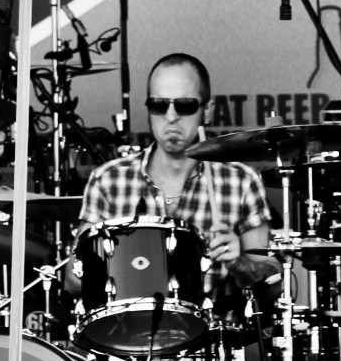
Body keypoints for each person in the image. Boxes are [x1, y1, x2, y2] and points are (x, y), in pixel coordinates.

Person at [71, 52, 280, 316]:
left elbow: (273, 285)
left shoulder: (241, 181)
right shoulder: (108, 180)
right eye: (159, 105)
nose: (171, 116)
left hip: (214, 335)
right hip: (128, 332)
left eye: (185, 105)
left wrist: (239, 263)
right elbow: (73, 280)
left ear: (207, 111)